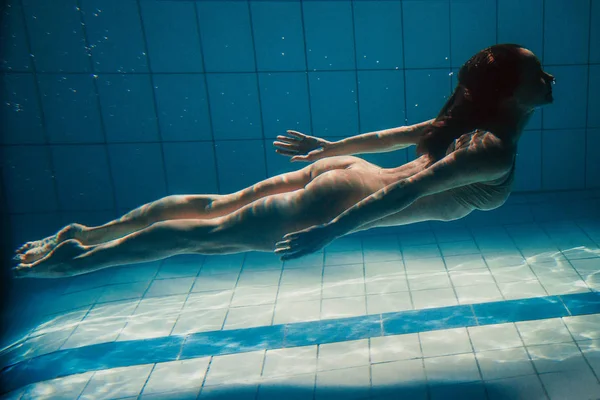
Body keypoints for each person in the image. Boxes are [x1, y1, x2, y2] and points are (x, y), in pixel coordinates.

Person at [12, 44, 555, 278]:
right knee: (202, 235)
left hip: (341, 177)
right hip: (342, 197)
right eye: (538, 74)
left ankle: (91, 232)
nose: (549, 78)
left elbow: (394, 135)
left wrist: (329, 150)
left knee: (213, 206)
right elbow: (405, 193)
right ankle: (74, 261)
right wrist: (330, 232)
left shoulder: (462, 128)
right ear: (508, 94)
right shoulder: (490, 148)